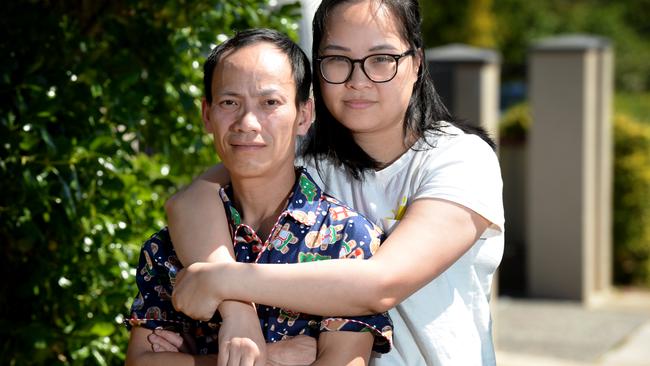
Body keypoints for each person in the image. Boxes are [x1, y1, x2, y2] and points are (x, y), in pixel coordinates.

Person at [168, 0, 505, 364]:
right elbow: (191, 201)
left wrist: (223, 281)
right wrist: (239, 314)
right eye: (338, 60)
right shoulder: (307, 161)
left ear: (417, 63)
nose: (357, 80)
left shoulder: (459, 159)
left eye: (381, 59)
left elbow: (382, 284)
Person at [124, 28, 393, 366]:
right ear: (206, 113)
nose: (247, 122)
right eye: (229, 103)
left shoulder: (345, 240)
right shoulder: (172, 245)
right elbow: (141, 362)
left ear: (304, 114)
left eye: (270, 103)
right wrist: (273, 357)